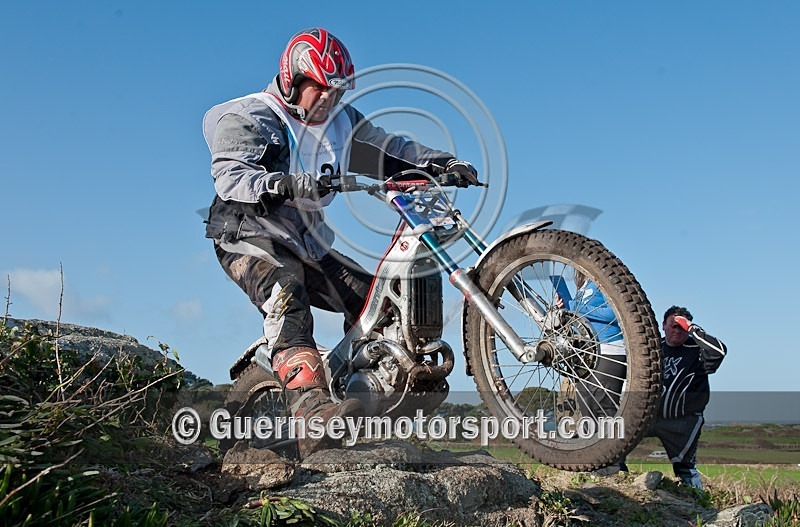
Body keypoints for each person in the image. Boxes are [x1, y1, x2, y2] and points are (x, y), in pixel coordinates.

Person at [202, 28, 480, 457]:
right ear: (294, 79)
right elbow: (231, 175)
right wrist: (278, 182)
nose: (330, 99)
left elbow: (389, 150)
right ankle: (310, 407)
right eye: (322, 89)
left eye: (338, 91)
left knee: (380, 302)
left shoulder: (340, 126)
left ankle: (380, 389)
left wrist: (440, 163)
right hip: (247, 235)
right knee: (286, 291)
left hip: (307, 243)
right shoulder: (251, 117)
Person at [647, 306, 727, 489]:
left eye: (681, 327)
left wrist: (692, 329)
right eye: (673, 325)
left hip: (683, 420)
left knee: (685, 467)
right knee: (618, 442)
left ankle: (698, 503)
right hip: (650, 415)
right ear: (663, 325)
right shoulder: (654, 348)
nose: (676, 330)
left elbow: (719, 351)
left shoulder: (697, 350)